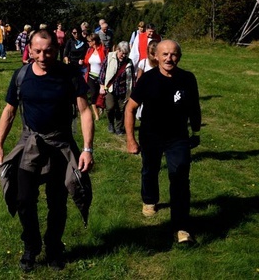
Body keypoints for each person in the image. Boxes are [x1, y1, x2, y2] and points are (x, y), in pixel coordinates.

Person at [0, 30, 94, 272]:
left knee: (57, 201)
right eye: (37, 50)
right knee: (24, 199)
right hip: (30, 144)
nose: (42, 55)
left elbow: (85, 111)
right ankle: (31, 246)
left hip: (60, 145)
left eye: (48, 50)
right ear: (29, 49)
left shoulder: (69, 75)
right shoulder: (22, 76)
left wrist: (87, 148)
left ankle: (54, 248)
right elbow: (9, 112)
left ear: (56, 50)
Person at [124, 40, 201, 245]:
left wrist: (196, 130)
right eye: (165, 54)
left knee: (180, 177)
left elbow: (194, 106)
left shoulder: (187, 79)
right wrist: (130, 140)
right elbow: (130, 109)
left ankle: (182, 227)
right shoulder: (148, 80)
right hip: (151, 136)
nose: (169, 58)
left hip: (178, 137)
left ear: (179, 57)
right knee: (150, 169)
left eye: (174, 54)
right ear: (156, 56)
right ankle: (149, 200)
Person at [98, 42, 134, 135]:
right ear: (118, 50)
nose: (124, 55)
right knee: (110, 107)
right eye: (122, 53)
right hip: (110, 88)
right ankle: (110, 123)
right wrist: (101, 85)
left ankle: (119, 128)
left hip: (123, 89)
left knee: (121, 109)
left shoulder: (129, 62)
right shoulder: (110, 57)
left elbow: (132, 77)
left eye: (126, 53)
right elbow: (102, 70)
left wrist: (131, 90)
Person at [84, 33, 107, 121]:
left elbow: (105, 62)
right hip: (91, 76)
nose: (88, 43)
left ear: (94, 41)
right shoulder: (89, 50)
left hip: (101, 76)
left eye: (89, 41)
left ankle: (101, 107)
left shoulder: (103, 49)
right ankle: (96, 115)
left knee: (101, 95)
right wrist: (83, 62)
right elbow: (87, 61)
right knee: (93, 94)